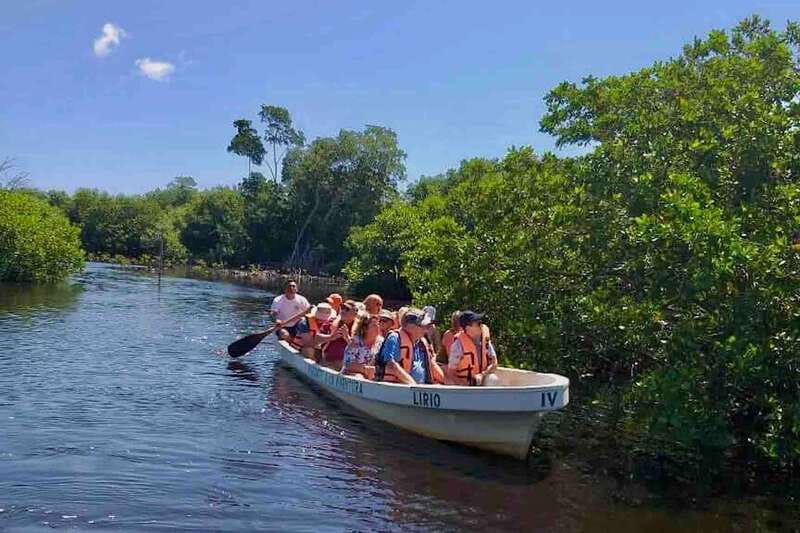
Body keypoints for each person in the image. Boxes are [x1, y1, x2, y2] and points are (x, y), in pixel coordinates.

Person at [376, 308, 444, 385]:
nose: (426, 329)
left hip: (419, 390)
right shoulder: (394, 337)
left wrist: (446, 383)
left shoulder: (422, 342)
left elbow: (432, 365)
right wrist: (413, 385)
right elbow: (391, 364)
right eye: (423, 326)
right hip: (398, 388)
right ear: (410, 326)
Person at [447, 311, 498, 386]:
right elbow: (451, 374)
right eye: (478, 323)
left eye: (481, 322)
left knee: (493, 379)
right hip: (465, 385)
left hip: (482, 379)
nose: (481, 325)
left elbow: (494, 363)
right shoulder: (458, 345)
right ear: (468, 328)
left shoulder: (485, 339)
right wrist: (466, 388)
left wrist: (482, 375)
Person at [315, 299, 359, 365]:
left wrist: (347, 338)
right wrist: (330, 337)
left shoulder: (360, 328)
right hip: (328, 361)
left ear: (355, 314)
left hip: (349, 364)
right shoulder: (331, 321)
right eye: (342, 307)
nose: (343, 311)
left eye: (347, 309)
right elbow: (317, 339)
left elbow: (360, 349)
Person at [342, 313, 384, 380]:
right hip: (352, 374)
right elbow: (348, 365)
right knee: (359, 377)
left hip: (372, 375)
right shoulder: (355, 341)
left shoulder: (381, 342)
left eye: (378, 324)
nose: (378, 327)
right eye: (374, 325)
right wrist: (365, 369)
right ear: (365, 328)